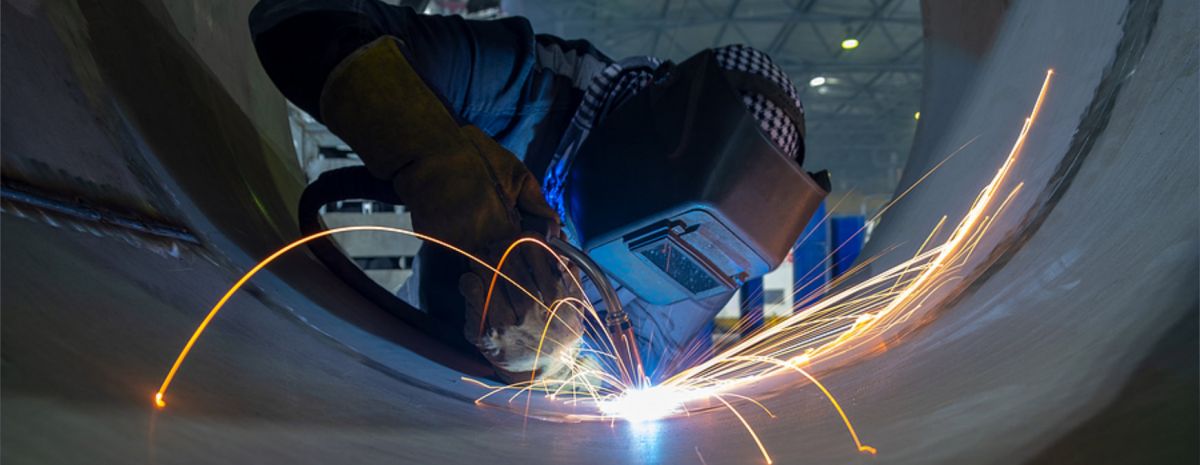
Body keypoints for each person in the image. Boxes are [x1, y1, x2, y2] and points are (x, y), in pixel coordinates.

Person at [248, 0, 826, 383]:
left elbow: (633, 381)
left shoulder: (721, 260)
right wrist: (440, 161)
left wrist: (549, 371)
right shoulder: (534, 86)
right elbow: (293, 20)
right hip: (423, 342)